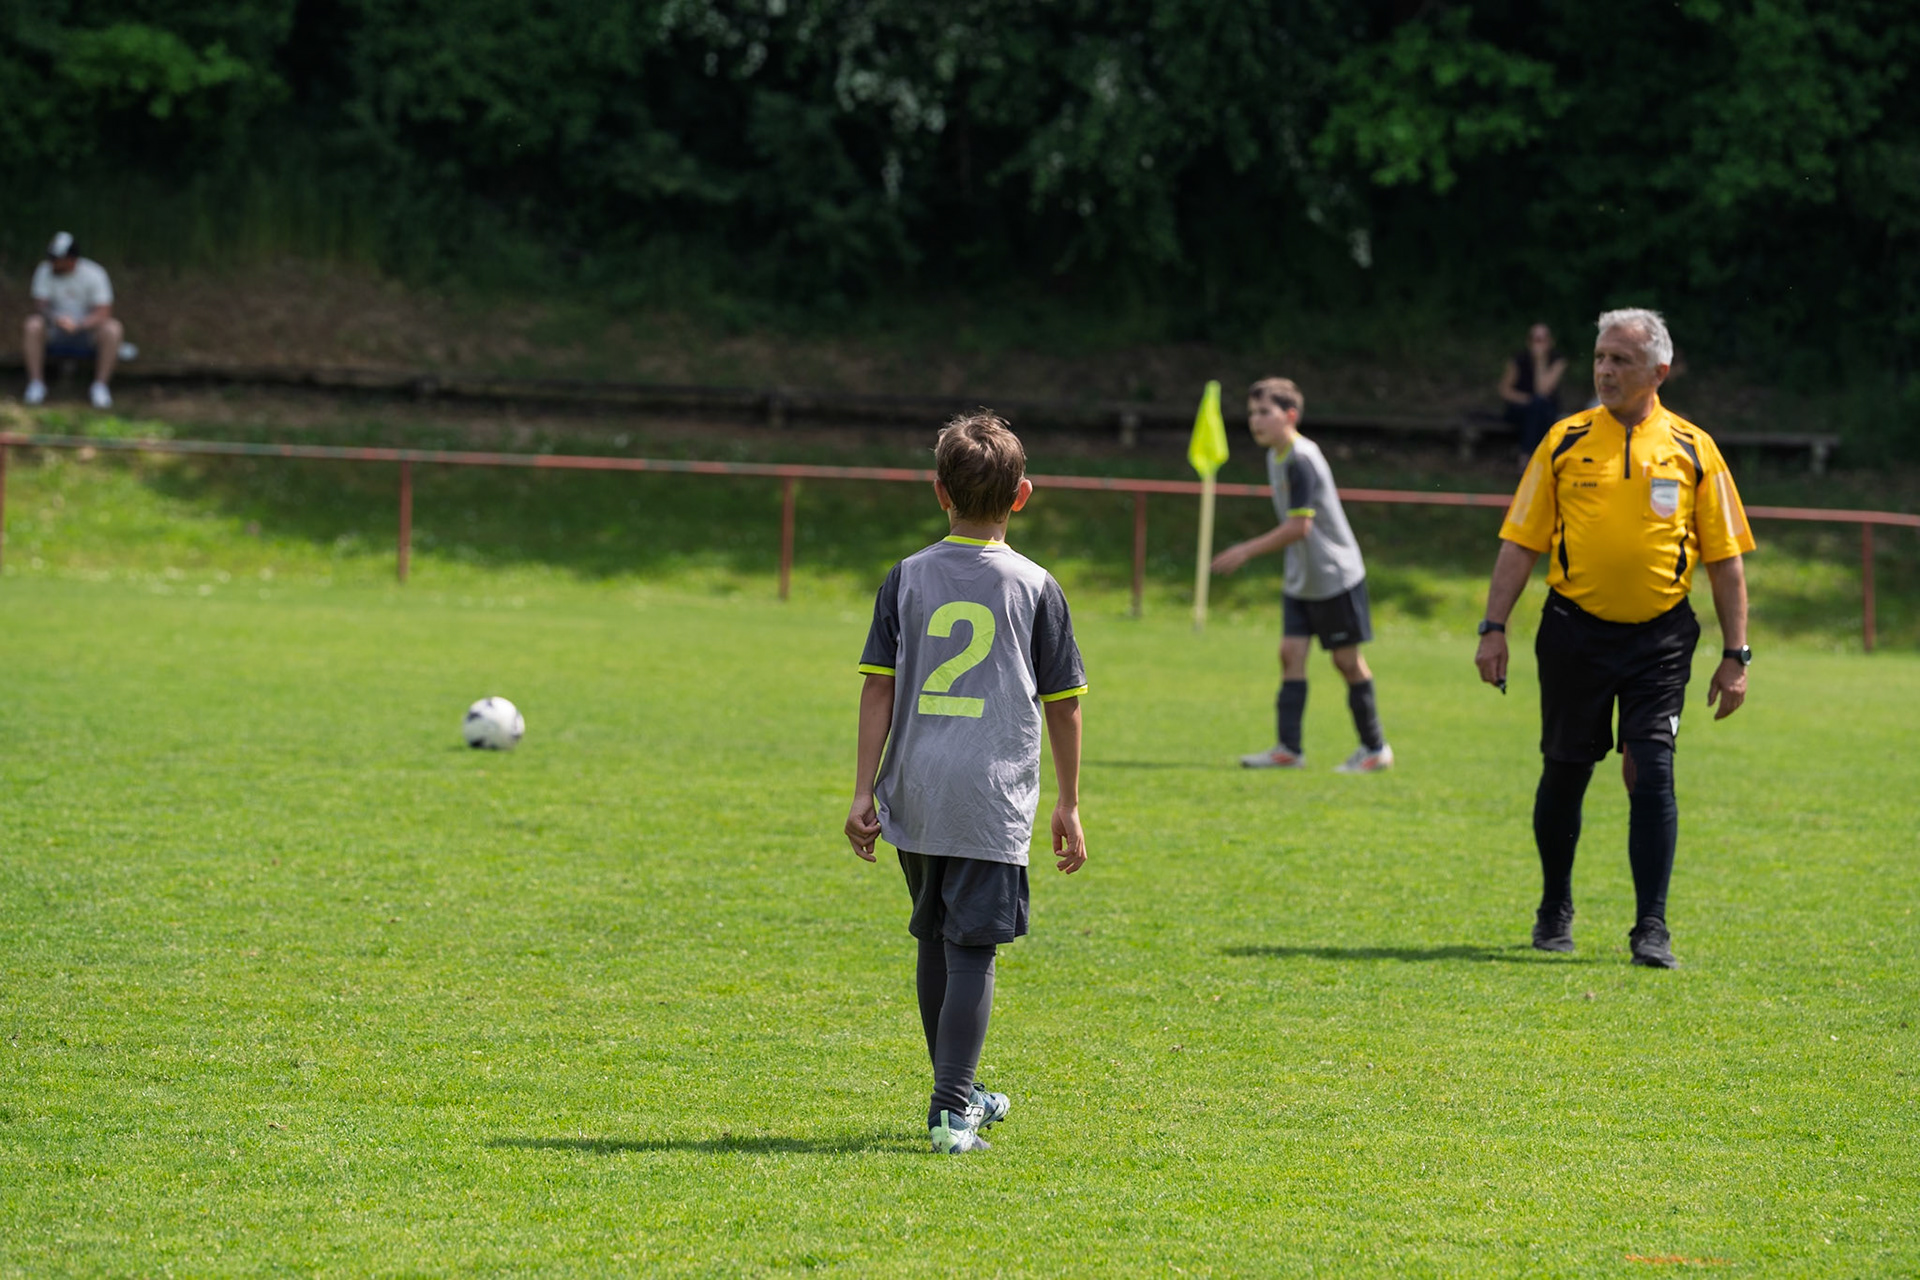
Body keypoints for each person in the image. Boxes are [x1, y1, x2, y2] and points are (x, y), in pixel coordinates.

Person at [1473, 308, 1755, 969]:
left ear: (1659, 371)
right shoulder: (1563, 440)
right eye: (1600, 357)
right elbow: (1520, 543)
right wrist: (1493, 628)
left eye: (1620, 360)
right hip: (1574, 633)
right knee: (1566, 771)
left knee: (1653, 772)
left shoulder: (1694, 448)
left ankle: (1651, 927)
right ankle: (1554, 907)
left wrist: (1736, 655)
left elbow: (1726, 560)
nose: (1604, 370)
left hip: (1661, 639)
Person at [843, 411, 1088, 1156]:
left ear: (938, 491)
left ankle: (962, 1089)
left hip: (915, 786)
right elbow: (1064, 704)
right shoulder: (1036, 585)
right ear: (1022, 496)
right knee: (972, 947)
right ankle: (953, 1111)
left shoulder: (906, 576)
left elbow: (877, 688)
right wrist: (1069, 802)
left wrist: (863, 791)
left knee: (935, 937)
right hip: (990, 793)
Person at [1213, 377, 1392, 773]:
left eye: (1265, 412)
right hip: (1303, 578)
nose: (1255, 420)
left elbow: (1299, 527)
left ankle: (1375, 748)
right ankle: (1288, 749)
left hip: (1334, 576)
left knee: (1346, 662)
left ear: (1290, 415)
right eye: (1252, 413)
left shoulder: (1301, 458)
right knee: (1290, 654)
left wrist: (1244, 550)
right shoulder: (1275, 456)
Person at [23, 232, 122, 409]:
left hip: (87, 333)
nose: (52, 263)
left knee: (113, 329)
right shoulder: (44, 270)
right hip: (55, 330)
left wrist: (80, 325)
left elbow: (104, 312)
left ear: (71, 259)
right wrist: (56, 318)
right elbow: (40, 305)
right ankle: (36, 384)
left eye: (56, 259)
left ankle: (100, 386)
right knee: (32, 324)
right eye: (51, 258)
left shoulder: (94, 273)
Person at [1498, 323, 1569, 456]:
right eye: (1535, 340)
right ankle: (1530, 454)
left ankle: (1529, 454)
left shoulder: (1557, 361)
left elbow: (1542, 390)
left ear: (1550, 342)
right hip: (1521, 407)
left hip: (1546, 409)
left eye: (1542, 340)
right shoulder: (1519, 359)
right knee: (1535, 407)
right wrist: (1526, 400)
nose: (1539, 344)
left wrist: (1540, 361)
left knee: (1540, 406)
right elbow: (1505, 390)